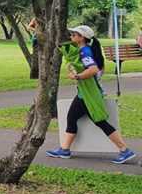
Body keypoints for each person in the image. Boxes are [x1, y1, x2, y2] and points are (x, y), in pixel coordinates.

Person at [46, 25, 136, 164]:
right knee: (72, 118)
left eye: (74, 34)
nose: (71, 36)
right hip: (85, 93)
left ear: (82, 38)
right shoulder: (84, 50)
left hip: (88, 95)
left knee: (99, 121)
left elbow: (93, 70)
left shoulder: (85, 51)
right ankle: (64, 149)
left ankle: (125, 150)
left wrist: (77, 77)